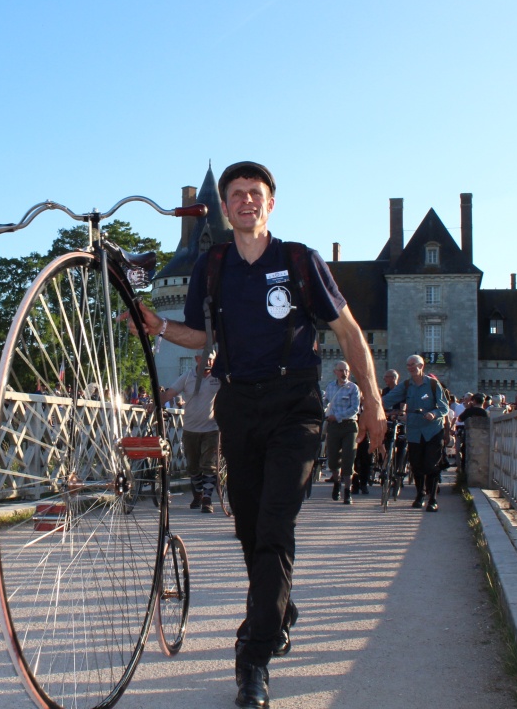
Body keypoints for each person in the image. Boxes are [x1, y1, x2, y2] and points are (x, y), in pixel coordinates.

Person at [129, 161, 384, 709]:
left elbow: (348, 332)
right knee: (249, 528)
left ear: (271, 203)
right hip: (238, 404)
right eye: (237, 194)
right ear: (225, 208)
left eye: (256, 193)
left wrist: (373, 402)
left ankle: (253, 656)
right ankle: (279, 607)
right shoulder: (213, 265)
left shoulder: (299, 260)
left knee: (273, 526)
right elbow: (200, 336)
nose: (247, 200)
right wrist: (159, 326)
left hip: (295, 405)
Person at [383, 355, 450, 512]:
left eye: (413, 364)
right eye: (408, 365)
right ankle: (420, 495)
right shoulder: (406, 385)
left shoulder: (433, 384)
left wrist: (433, 414)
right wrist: (373, 403)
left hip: (432, 430)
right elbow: (388, 399)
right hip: (414, 431)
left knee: (431, 465)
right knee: (416, 465)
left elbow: (444, 407)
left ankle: (432, 499)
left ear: (421, 366)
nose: (411, 367)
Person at [158, 351, 221, 513]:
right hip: (190, 428)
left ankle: (207, 499)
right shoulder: (187, 377)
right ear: (197, 359)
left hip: (212, 428)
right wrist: (154, 402)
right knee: (193, 466)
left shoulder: (218, 377)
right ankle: (198, 494)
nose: (209, 362)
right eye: (206, 359)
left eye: (212, 359)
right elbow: (170, 394)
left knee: (209, 464)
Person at [323, 360, 360, 504]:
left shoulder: (353, 388)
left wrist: (337, 416)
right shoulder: (330, 387)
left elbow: (354, 408)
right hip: (333, 427)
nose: (344, 373)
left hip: (349, 426)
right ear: (335, 372)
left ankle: (347, 491)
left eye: (346, 370)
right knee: (333, 459)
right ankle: (337, 483)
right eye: (341, 370)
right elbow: (325, 402)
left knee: (348, 458)